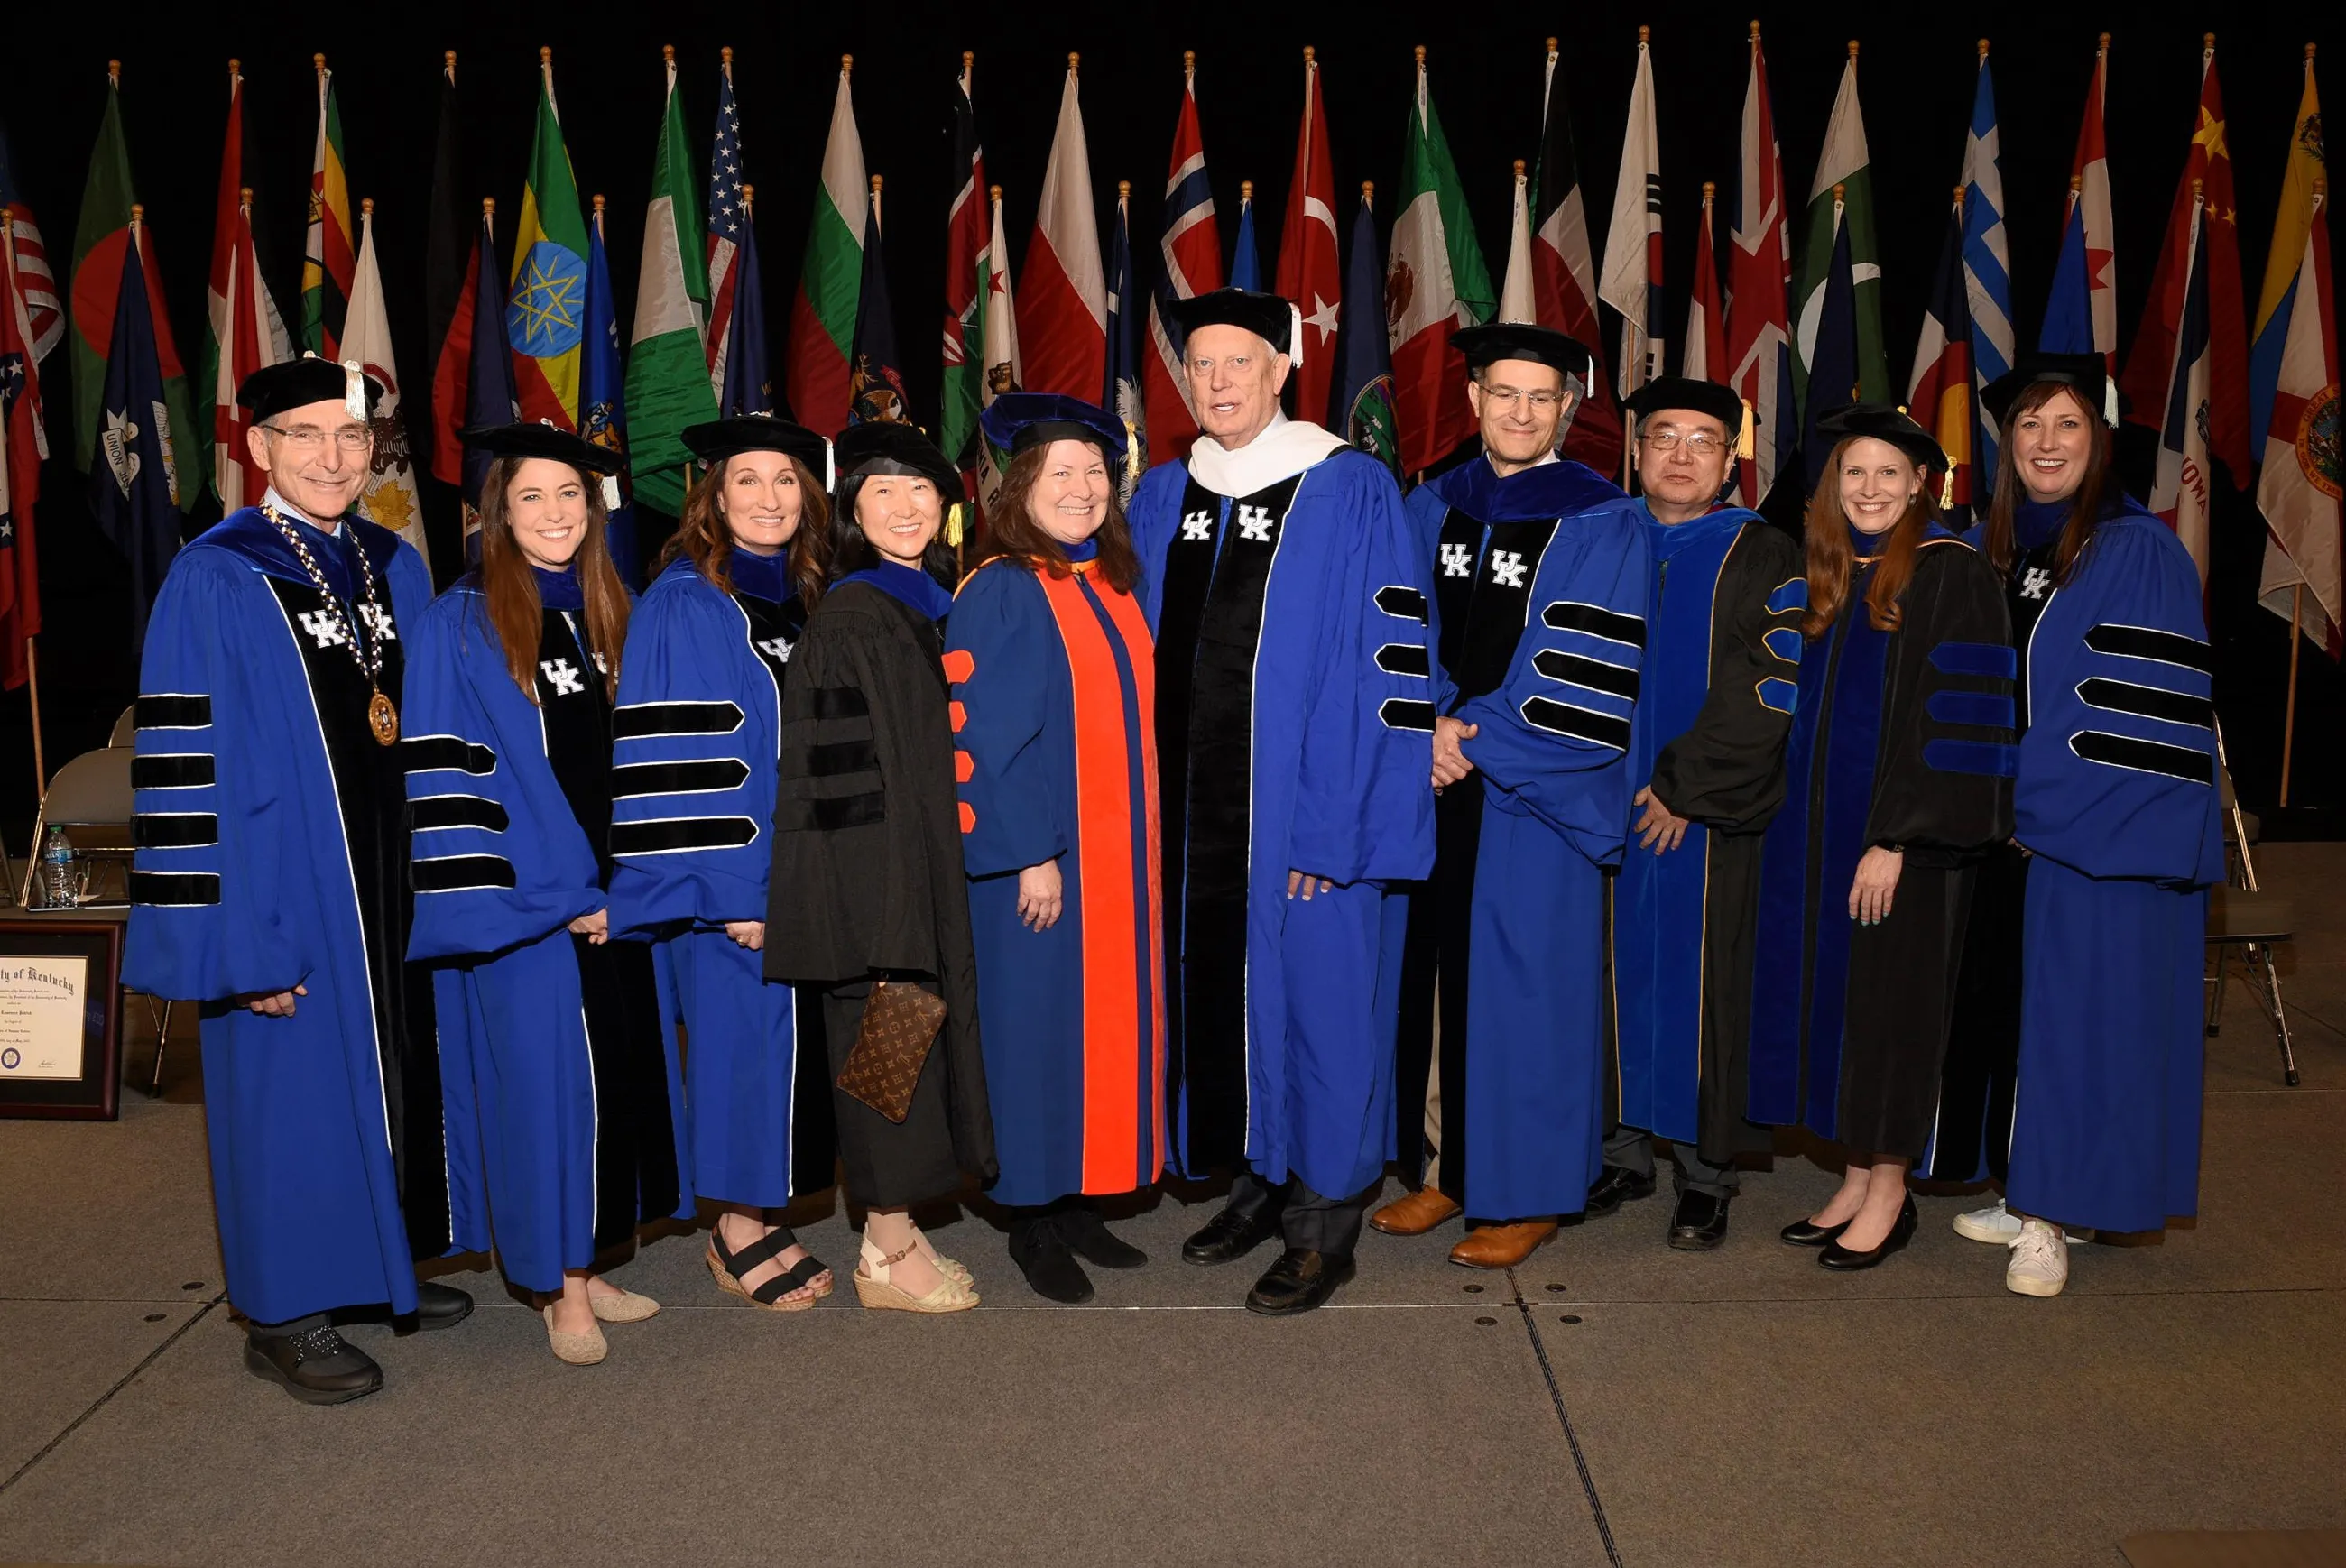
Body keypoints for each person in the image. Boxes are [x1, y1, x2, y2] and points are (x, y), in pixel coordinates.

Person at [124, 356, 469, 1404]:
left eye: (351, 437)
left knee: (394, 1071)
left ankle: (371, 1267)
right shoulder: (218, 573)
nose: (331, 456)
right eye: (305, 435)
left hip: (387, 874)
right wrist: (238, 942)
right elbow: (187, 773)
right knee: (288, 1095)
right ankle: (282, 1312)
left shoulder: (387, 561)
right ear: (259, 447)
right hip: (282, 886)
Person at [1127, 286, 1436, 1315]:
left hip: (1306, 826)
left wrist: (1336, 828)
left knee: (1322, 1016)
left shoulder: (1347, 487)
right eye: (1198, 366)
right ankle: (1255, 1182)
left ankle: (1322, 1222)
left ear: (1280, 367)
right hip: (1190, 832)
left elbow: (1387, 667)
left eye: (1236, 363)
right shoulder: (1164, 494)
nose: (1216, 383)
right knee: (1223, 1005)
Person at [403, 423, 688, 1366]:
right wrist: (568, 892)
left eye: (571, 495)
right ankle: (560, 1287)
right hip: (533, 909)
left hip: (618, 900)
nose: (556, 513)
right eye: (532, 497)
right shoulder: (462, 622)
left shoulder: (618, 607)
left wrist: (637, 882)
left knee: (610, 1081)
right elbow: (460, 781)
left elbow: (651, 762)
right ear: (497, 511)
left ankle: (591, 1258)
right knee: (547, 1093)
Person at [1939, 354, 2221, 1296]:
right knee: (2024, 1015)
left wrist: (2030, 809)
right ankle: (2031, 1185)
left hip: (2093, 828)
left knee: (2079, 1019)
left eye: (2064, 424)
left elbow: (2121, 709)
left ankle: (2052, 1215)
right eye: (2027, 425)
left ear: (2097, 439)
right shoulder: (1997, 541)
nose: (2044, 442)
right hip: (2011, 828)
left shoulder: (2131, 547)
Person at [1372, 322, 1648, 1269]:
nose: (1520, 413)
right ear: (1476, 398)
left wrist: (1468, 735)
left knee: (1528, 990)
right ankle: (1445, 1170)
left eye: (1542, 398)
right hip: (1438, 779)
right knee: (1438, 978)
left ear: (1568, 410)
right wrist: (1430, 723)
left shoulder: (1603, 518)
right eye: (1503, 394)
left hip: (1533, 797)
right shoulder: (1430, 501)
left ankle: (1526, 1191)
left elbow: (1582, 662)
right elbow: (1394, 621)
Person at [1745, 405, 2014, 1269]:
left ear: (1920, 485)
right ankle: (1857, 1175)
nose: (1869, 490)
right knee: (1846, 1011)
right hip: (1820, 841)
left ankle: (1891, 1190)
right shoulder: (1831, 573)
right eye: (1853, 474)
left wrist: (1898, 838)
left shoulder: (1951, 573)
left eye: (1889, 475)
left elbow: (1961, 725)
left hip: (1904, 849)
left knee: (1894, 1014)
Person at [763, 419, 997, 1314]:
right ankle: (887, 1247)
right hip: (881, 892)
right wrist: (888, 910)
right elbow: (840, 787)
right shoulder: (852, 617)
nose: (905, 506)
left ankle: (895, 1231)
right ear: (854, 510)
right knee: (884, 1057)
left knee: (910, 1052)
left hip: (927, 877)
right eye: (882, 491)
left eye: (921, 490)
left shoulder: (932, 598)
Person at [609, 415, 838, 1312]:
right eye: (747, 481)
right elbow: (683, 761)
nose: (769, 499)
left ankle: (760, 1205)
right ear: (711, 495)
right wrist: (740, 891)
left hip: (808, 876)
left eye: (785, 480)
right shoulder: (683, 601)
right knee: (742, 1048)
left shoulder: (805, 590)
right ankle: (734, 1228)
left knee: (785, 1050)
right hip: (735, 883)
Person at [947, 393, 1161, 1303]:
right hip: (1041, 865)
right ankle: (1029, 1217)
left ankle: (1075, 1195)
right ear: (1018, 486)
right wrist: (1029, 851)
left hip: (1114, 859)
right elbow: (983, 736)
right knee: (1031, 1034)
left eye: (1092, 472)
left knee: (1093, 1026)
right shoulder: (1002, 586)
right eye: (1057, 473)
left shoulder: (1110, 581)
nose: (1079, 489)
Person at [1602, 377, 1807, 1251]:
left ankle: (1702, 1172)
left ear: (1729, 460)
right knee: (1602, 977)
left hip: (1694, 814)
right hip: (1597, 803)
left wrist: (1685, 788)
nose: (1679, 455)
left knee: (1700, 986)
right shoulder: (1598, 538)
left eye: (1700, 440)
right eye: (1661, 436)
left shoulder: (1761, 551)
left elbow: (1765, 689)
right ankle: (1616, 1149)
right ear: (1635, 449)